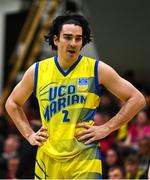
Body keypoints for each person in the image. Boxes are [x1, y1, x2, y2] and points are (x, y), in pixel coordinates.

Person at [5, 11, 145, 179]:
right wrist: (29, 134)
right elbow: (12, 103)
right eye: (68, 37)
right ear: (56, 39)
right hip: (47, 159)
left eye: (78, 39)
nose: (73, 43)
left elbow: (137, 99)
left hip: (85, 158)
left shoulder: (96, 69)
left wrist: (107, 128)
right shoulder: (37, 71)